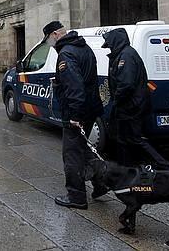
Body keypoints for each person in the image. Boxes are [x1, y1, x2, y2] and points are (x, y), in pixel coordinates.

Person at [43, 20, 108, 209]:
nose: (49, 43)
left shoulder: (66, 53)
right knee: (83, 148)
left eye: (48, 39)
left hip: (77, 113)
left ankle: (76, 196)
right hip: (90, 108)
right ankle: (101, 183)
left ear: (55, 34)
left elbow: (75, 87)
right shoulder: (83, 46)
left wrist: (74, 116)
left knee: (71, 154)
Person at [102, 28, 169, 171]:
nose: (109, 47)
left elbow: (126, 84)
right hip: (130, 105)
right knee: (123, 138)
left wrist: (116, 102)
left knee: (135, 138)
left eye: (110, 44)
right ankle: (127, 167)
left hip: (131, 106)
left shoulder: (126, 56)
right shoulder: (124, 54)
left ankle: (165, 166)